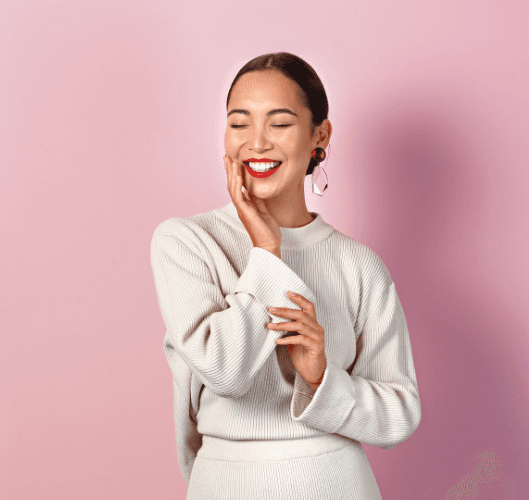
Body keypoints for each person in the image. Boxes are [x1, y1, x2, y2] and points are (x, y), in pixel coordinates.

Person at [150, 52, 421, 500]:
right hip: (225, 482)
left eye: (279, 124)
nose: (257, 142)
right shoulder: (186, 243)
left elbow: (399, 415)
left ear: (319, 135)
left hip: (336, 483)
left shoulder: (359, 264)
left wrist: (321, 378)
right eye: (239, 123)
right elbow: (225, 372)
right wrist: (267, 252)